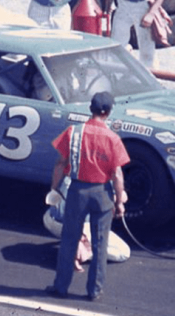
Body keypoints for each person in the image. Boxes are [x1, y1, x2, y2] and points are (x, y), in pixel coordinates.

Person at [45, 91, 129, 302]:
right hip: (102, 193)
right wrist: (120, 201)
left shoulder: (73, 132)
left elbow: (60, 163)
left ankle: (60, 287)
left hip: (77, 192)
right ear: (108, 113)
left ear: (90, 109)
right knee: (100, 243)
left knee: (69, 240)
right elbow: (117, 174)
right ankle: (95, 291)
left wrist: (54, 189)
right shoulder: (113, 138)